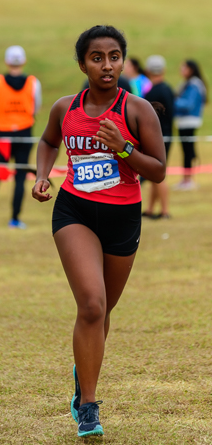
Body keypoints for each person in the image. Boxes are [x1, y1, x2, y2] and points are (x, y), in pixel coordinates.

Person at [32, 25, 166, 438]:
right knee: (91, 304)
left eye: (113, 56)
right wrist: (42, 176)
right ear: (82, 63)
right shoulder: (64, 107)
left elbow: (158, 170)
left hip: (123, 217)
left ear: (122, 61)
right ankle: (87, 407)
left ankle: (82, 374)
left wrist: (123, 147)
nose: (106, 65)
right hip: (75, 211)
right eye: (96, 57)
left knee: (103, 312)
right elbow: (48, 140)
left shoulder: (137, 109)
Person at [0, 45, 42, 228]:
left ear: (6, 61)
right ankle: (15, 219)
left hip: (2, 134)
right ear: (23, 61)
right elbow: (37, 107)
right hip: (24, 134)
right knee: (20, 177)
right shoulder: (34, 82)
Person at [142, 55, 174, 219]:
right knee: (153, 173)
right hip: (167, 134)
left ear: (148, 71)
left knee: (159, 172)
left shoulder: (152, 91)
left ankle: (165, 211)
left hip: (157, 137)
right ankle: (150, 209)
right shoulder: (167, 88)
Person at [173, 59, 207, 190]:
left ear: (191, 69)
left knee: (188, 150)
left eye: (184, 68)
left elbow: (188, 104)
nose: (181, 70)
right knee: (187, 150)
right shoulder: (188, 83)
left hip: (189, 121)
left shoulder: (194, 85)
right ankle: (186, 179)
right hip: (184, 121)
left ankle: (189, 179)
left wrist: (173, 102)